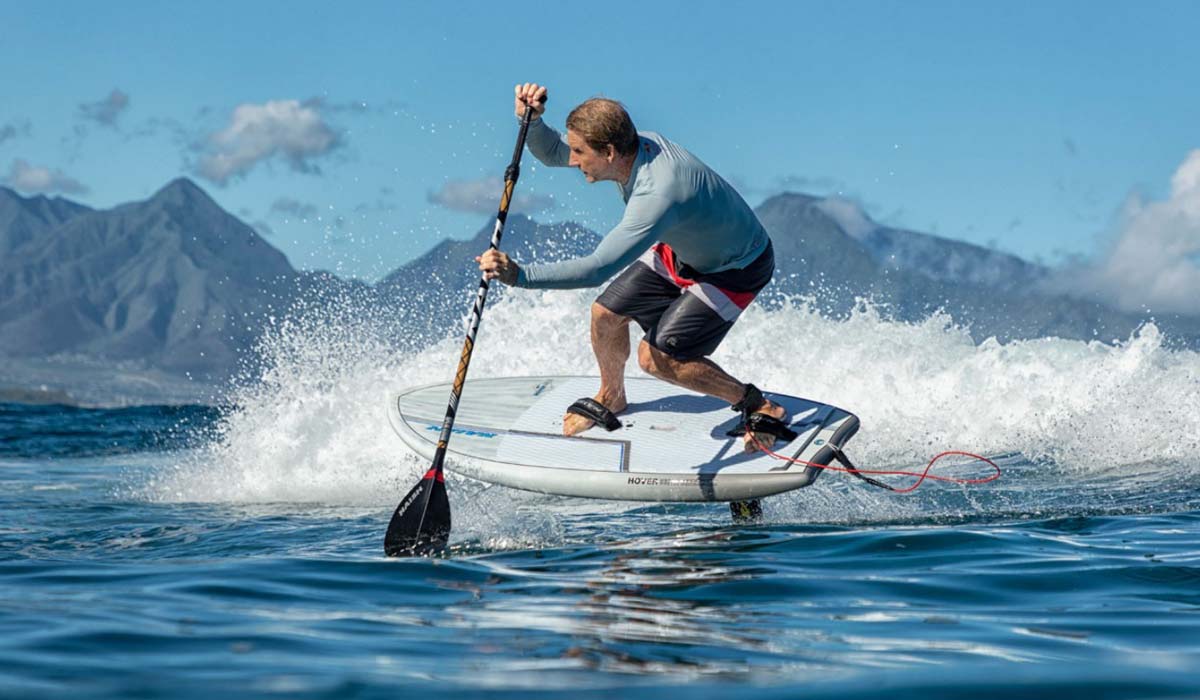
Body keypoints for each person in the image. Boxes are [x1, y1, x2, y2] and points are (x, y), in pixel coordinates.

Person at [477, 83, 788, 452]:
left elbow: (596, 269)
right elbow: (553, 153)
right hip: (680, 251)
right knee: (605, 314)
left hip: (735, 268)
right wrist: (528, 121)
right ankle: (612, 395)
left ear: (609, 152)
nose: (573, 160)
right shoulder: (633, 146)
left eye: (580, 152)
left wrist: (520, 276)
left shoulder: (658, 193)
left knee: (657, 359)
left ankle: (760, 405)